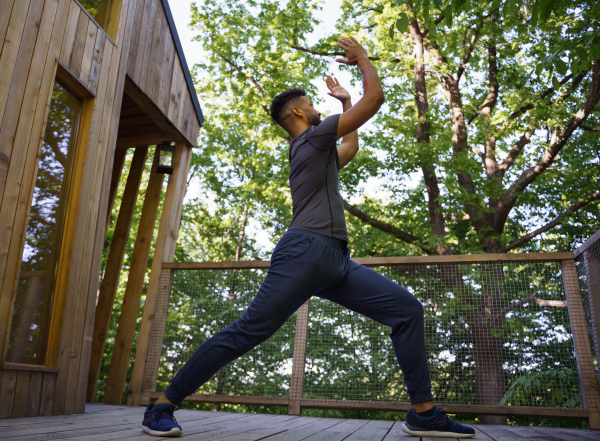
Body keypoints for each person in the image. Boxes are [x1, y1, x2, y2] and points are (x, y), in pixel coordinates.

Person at [141, 36, 476, 439]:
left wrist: (344, 102)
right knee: (250, 330)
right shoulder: (310, 140)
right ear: (298, 112)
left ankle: (423, 413)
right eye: (313, 104)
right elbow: (377, 102)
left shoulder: (316, 150)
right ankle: (162, 406)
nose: (319, 109)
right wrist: (363, 59)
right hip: (305, 251)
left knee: (406, 310)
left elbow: (350, 142)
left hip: (334, 261)